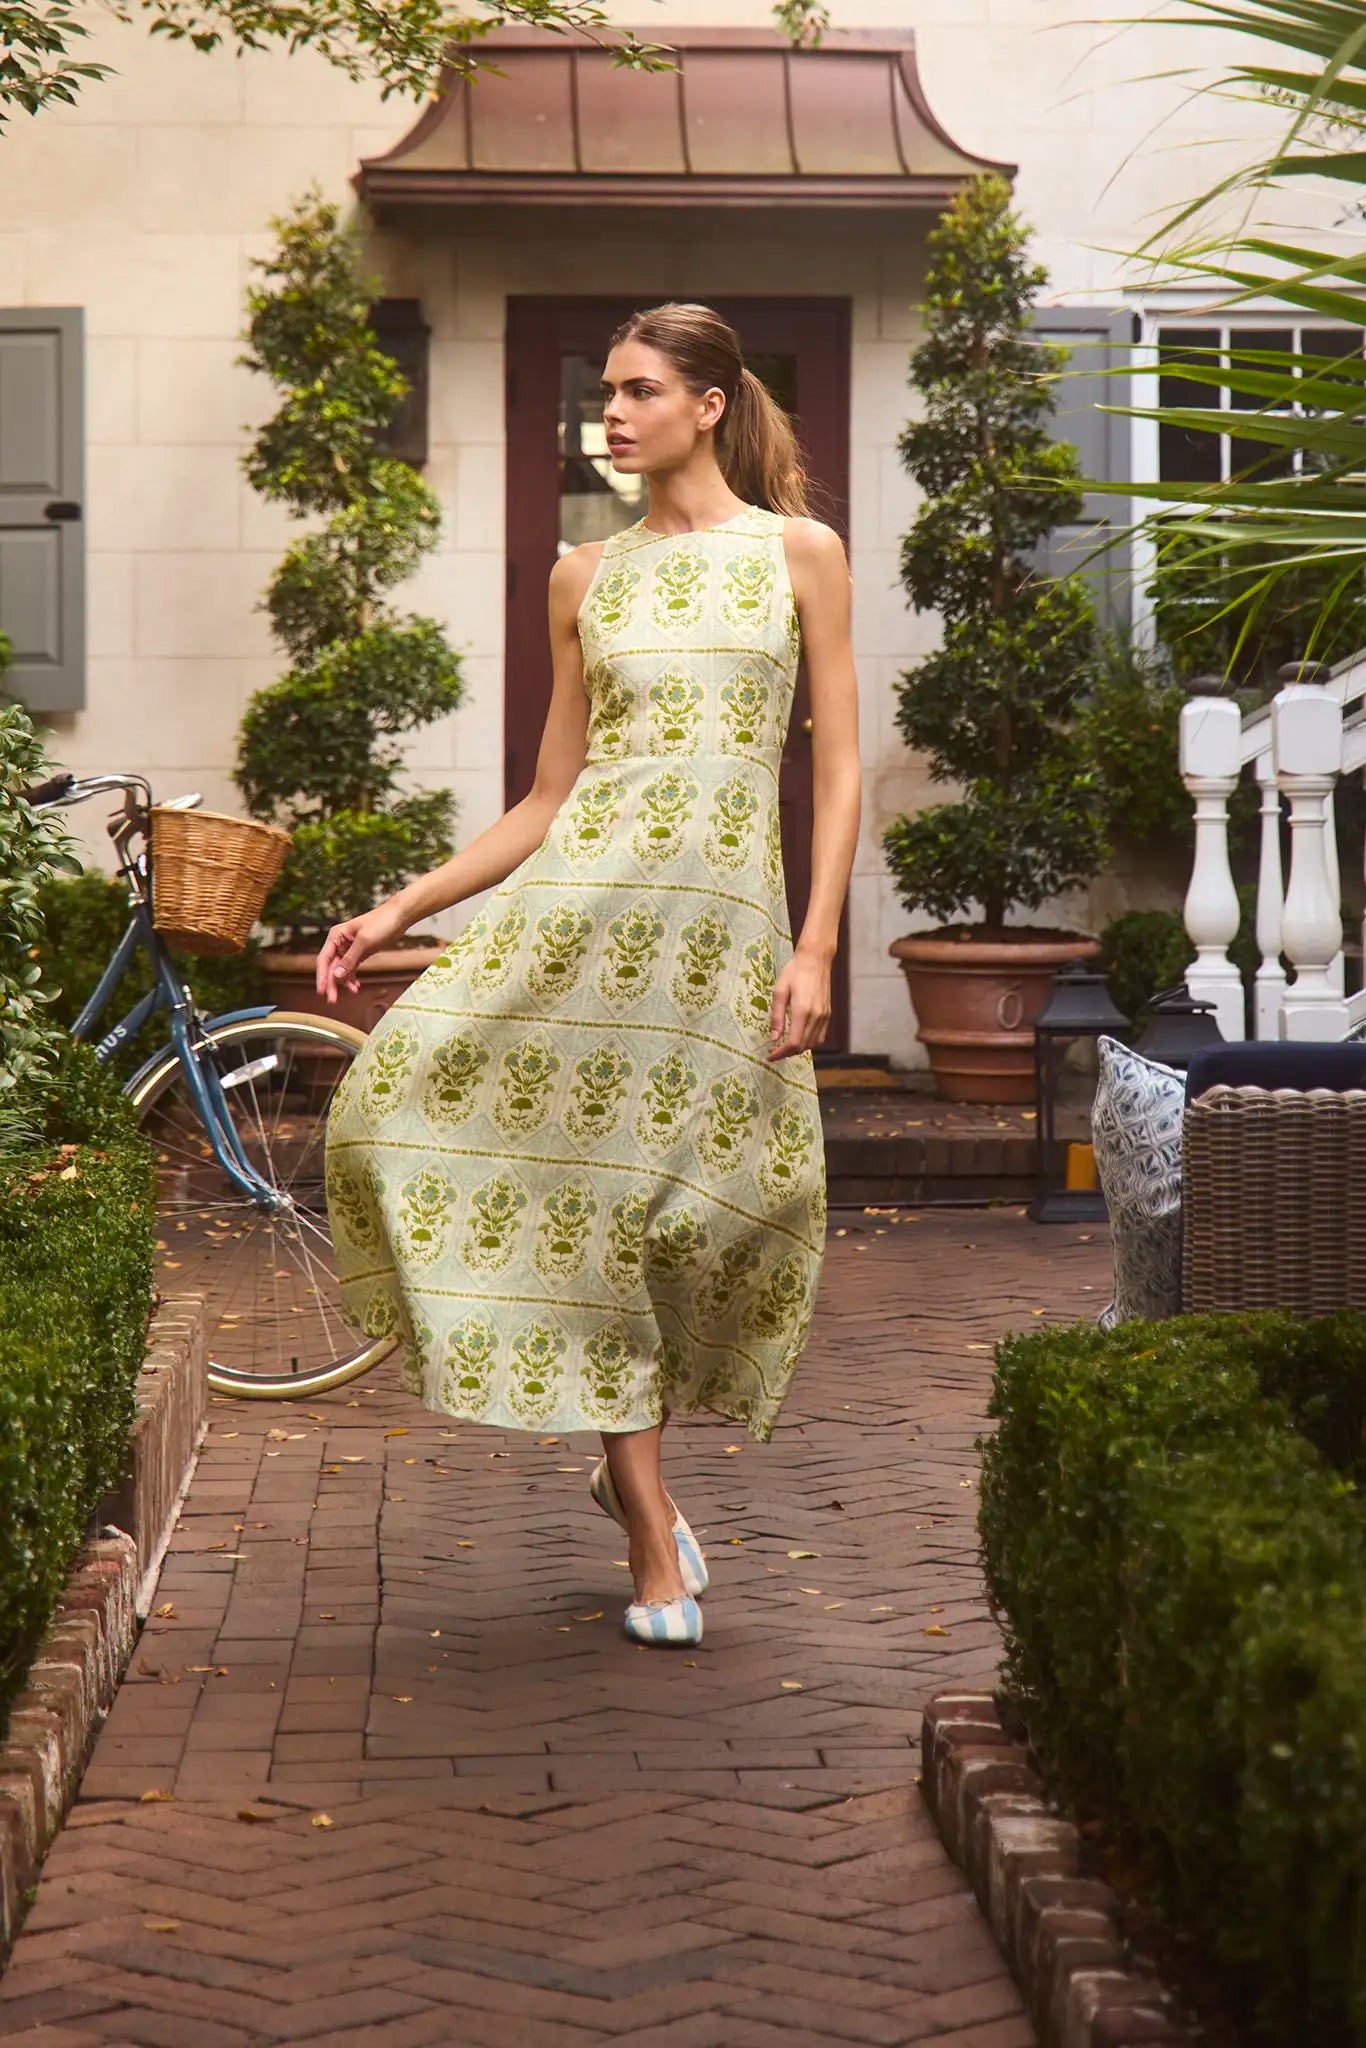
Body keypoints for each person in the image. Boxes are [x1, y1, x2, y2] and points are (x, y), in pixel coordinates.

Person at [318, 300, 862, 1648]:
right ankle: (645, 1521)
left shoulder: (799, 554)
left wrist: (817, 944)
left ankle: (634, 1482)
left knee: (706, 1217)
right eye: (602, 392)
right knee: (483, 1155)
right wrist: (402, 907)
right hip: (577, 929)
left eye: (634, 390)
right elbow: (546, 798)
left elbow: (839, 764)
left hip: (721, 947)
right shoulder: (583, 576)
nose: (609, 415)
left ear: (709, 404)